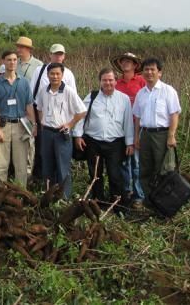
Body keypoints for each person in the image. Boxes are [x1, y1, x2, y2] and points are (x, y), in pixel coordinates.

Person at [73, 68, 134, 204]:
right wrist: (77, 135)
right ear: (100, 82)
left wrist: (130, 143)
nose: (108, 83)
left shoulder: (123, 99)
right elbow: (81, 115)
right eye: (104, 80)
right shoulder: (92, 96)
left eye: (111, 80)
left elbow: (128, 122)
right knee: (95, 174)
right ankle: (98, 201)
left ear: (115, 81)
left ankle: (117, 203)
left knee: (115, 174)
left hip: (115, 143)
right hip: (93, 142)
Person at [35, 62, 87, 199]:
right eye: (52, 74)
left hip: (61, 134)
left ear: (62, 75)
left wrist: (70, 124)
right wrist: (42, 123)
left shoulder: (68, 91)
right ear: (47, 75)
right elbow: (39, 108)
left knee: (63, 167)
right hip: (46, 133)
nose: (55, 76)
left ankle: (64, 198)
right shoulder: (43, 91)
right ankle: (48, 194)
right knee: (47, 165)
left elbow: (82, 111)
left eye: (58, 74)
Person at [133, 58, 181, 200]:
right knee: (145, 170)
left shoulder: (168, 91)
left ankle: (165, 203)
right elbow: (137, 118)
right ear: (142, 73)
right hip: (146, 135)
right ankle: (150, 201)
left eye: (152, 69)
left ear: (159, 73)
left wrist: (171, 135)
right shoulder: (141, 93)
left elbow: (174, 114)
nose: (149, 72)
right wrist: (136, 136)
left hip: (162, 135)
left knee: (163, 170)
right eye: (146, 70)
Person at [29, 43, 77, 182]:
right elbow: (33, 96)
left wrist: (70, 124)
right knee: (43, 155)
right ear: (50, 54)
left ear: (64, 56)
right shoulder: (40, 70)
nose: (58, 57)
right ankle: (43, 185)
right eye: (55, 54)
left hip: (61, 125)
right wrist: (38, 122)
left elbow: (75, 104)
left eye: (60, 54)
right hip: (43, 120)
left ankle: (63, 194)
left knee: (62, 161)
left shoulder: (68, 74)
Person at [0, 50, 37, 187]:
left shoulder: (24, 83)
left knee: (21, 163)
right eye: (9, 60)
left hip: (21, 125)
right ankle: (1, 192)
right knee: (1, 164)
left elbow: (29, 105)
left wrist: (33, 124)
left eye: (15, 59)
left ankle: (20, 193)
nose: (12, 62)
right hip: (3, 125)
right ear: (3, 61)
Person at [112, 52, 147, 209]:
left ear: (135, 65)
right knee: (124, 162)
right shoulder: (116, 84)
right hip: (121, 128)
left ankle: (139, 195)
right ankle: (126, 192)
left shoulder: (141, 82)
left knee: (137, 162)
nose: (125, 64)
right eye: (123, 61)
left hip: (138, 126)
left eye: (129, 61)